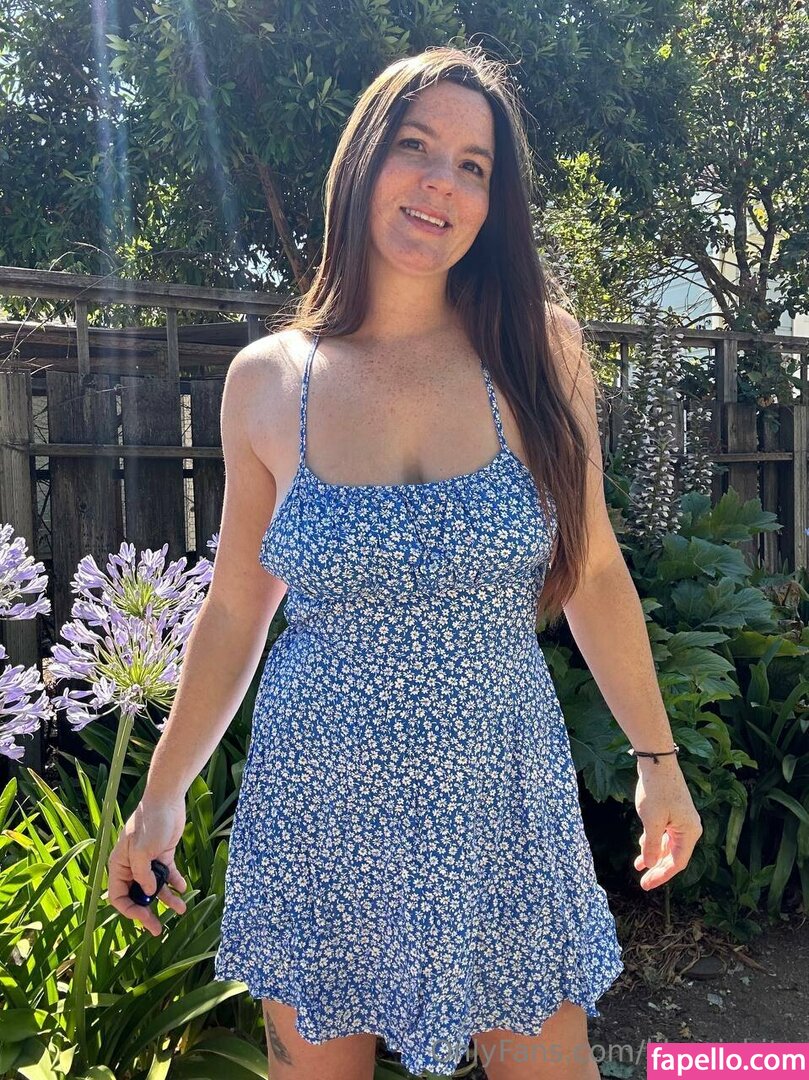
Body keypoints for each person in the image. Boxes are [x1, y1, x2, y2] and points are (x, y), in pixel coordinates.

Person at [108, 44, 703, 1080]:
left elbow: (594, 570)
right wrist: (162, 796)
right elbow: (237, 606)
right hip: (318, 803)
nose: (441, 182)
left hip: (499, 795)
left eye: (473, 166)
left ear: (492, 203)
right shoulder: (267, 381)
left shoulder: (540, 350)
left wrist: (657, 762)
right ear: (361, 163)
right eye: (415, 146)